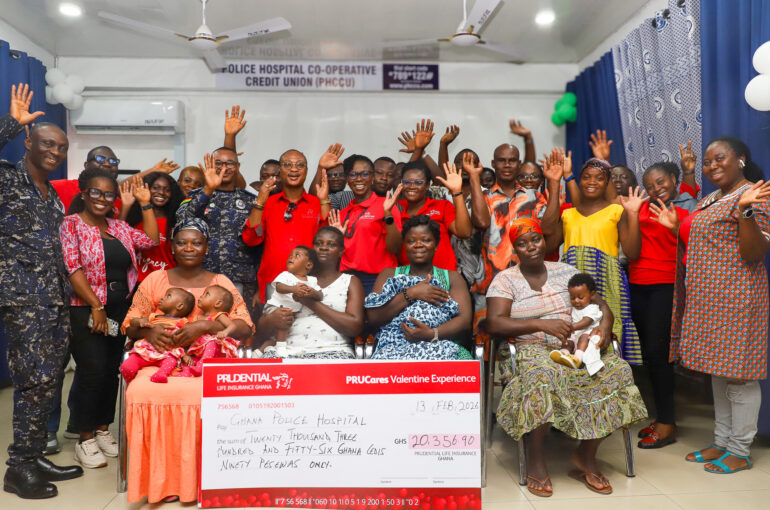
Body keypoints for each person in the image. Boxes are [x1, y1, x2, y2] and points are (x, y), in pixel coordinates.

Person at [485, 217, 647, 497]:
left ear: (544, 240)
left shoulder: (565, 271)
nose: (531, 247)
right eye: (522, 243)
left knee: (618, 371)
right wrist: (541, 324)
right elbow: (495, 323)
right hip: (531, 348)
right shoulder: (505, 280)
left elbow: (599, 303)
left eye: (536, 239)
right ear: (515, 249)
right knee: (543, 376)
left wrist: (606, 325)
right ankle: (536, 458)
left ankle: (586, 453)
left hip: (576, 345)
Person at [121, 218, 253, 503]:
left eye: (197, 242)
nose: (189, 248)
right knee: (141, 390)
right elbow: (129, 324)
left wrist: (206, 327)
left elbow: (245, 326)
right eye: (182, 242)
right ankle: (160, 481)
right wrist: (150, 329)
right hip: (159, 359)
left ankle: (207, 481)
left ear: (207, 247)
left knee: (202, 392)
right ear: (172, 247)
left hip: (204, 362)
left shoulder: (221, 283)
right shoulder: (156, 279)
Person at [662, 137, 770, 474]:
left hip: (738, 300)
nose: (712, 166)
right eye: (707, 162)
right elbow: (704, 243)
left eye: (719, 159)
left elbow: (755, 252)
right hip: (707, 300)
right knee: (718, 374)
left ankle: (740, 449)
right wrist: (675, 229)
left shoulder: (755, 194)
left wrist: (746, 211)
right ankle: (722, 441)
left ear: (740, 159)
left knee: (740, 377)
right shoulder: (710, 198)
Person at [0, 83, 84, 500]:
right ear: (29, 142)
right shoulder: (7, 179)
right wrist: (11, 123)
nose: (55, 152)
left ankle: (33, 456)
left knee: (49, 382)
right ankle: (18, 470)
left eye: (61, 148)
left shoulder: (52, 196)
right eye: (48, 144)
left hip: (52, 299)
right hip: (23, 298)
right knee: (32, 382)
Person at [60, 167, 160, 469]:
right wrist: (96, 306)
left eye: (108, 194)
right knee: (91, 370)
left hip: (120, 309)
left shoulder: (118, 227)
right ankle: (85, 436)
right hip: (86, 308)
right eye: (96, 192)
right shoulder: (71, 224)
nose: (102, 199)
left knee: (111, 372)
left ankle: (103, 428)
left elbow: (151, 241)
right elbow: (72, 268)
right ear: (84, 193)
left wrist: (145, 204)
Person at [541, 151, 643, 364]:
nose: (591, 182)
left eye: (599, 178)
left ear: (607, 182)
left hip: (607, 280)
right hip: (573, 281)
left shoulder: (616, 210)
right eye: (587, 176)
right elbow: (548, 240)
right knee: (575, 330)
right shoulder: (569, 213)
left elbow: (632, 253)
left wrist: (633, 215)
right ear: (579, 179)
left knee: (606, 333)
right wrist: (553, 182)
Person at [628, 161, 697, 449]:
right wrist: (632, 212)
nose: (657, 188)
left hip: (666, 285)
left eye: (661, 181)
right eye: (651, 185)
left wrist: (675, 226)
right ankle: (661, 419)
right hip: (637, 285)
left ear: (674, 179)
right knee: (649, 355)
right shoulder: (639, 208)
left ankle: (668, 423)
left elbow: (695, 250)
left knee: (660, 354)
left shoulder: (684, 212)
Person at [365, 215, 473, 359]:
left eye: (426, 240)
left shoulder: (452, 278)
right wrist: (411, 293)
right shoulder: (389, 274)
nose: (418, 245)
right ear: (405, 244)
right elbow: (373, 317)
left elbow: (464, 320)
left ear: (436, 244)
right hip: (393, 348)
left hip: (441, 344)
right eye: (411, 241)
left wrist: (431, 333)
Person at [258, 227, 364, 359]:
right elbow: (260, 334)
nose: (323, 248)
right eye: (319, 243)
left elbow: (354, 327)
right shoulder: (290, 278)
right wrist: (271, 319)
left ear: (341, 251)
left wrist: (309, 302)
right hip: (287, 352)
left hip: (334, 351)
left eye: (331, 244)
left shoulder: (350, 282)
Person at [242, 147, 330, 302]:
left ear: (306, 170)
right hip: (273, 283)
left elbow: (327, 241)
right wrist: (260, 202)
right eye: (288, 165)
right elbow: (251, 239)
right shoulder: (267, 203)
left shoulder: (316, 203)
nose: (294, 169)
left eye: (300, 165)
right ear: (280, 170)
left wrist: (324, 202)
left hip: (308, 283)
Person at [176, 149, 260, 312]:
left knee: (238, 328)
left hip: (240, 278)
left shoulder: (250, 201)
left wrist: (259, 287)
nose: (224, 168)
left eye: (230, 163)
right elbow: (182, 221)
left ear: (237, 166)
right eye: (219, 163)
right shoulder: (196, 196)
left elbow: (259, 243)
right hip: (202, 276)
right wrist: (208, 189)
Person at [330, 154, 403, 294]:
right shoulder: (343, 213)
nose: (358, 179)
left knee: (374, 316)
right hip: (347, 278)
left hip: (378, 278)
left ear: (373, 177)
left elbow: (395, 248)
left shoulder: (386, 205)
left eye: (364, 174)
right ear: (346, 178)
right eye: (352, 174)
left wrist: (388, 214)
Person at [394, 160, 472, 270]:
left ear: (427, 185)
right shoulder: (395, 208)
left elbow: (464, 232)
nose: (412, 186)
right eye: (407, 182)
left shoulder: (442, 206)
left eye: (418, 182)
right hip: (409, 277)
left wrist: (456, 191)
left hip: (443, 276)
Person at [52, 149, 178, 213]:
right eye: (100, 159)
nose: (107, 164)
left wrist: (154, 170)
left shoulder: (115, 202)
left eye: (113, 162)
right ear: (86, 165)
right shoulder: (62, 186)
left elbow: (121, 187)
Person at [119, 287, 196, 383]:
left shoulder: (183, 322)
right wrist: (140, 321)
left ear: (179, 306)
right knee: (125, 367)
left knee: (171, 362)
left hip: (167, 354)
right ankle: (132, 383)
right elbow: (132, 323)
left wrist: (185, 354)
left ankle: (161, 375)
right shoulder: (153, 317)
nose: (162, 298)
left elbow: (188, 339)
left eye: (168, 296)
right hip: (144, 352)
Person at [122, 171, 184, 282]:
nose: (161, 192)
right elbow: (115, 237)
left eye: (167, 190)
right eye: (155, 188)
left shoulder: (176, 222)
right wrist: (126, 206)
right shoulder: (134, 219)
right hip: (137, 283)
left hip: (167, 282)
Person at [263, 246, 322, 351]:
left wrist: (312, 293)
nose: (291, 257)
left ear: (308, 265)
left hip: (293, 313)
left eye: (297, 255)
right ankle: (281, 348)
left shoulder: (312, 281)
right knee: (285, 318)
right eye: (290, 255)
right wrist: (293, 289)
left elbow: (320, 295)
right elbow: (279, 287)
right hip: (275, 308)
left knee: (275, 338)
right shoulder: (285, 275)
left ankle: (259, 352)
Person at [549, 273, 604, 373]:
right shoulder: (574, 309)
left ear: (592, 295)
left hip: (589, 335)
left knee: (584, 337)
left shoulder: (593, 308)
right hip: (576, 335)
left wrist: (570, 327)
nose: (576, 301)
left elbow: (586, 322)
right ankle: (563, 355)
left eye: (580, 297)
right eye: (572, 298)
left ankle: (578, 359)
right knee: (567, 341)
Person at [186, 284, 240, 375]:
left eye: (206, 294)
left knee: (212, 343)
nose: (201, 296)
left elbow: (233, 326)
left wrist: (224, 332)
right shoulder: (197, 317)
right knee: (190, 358)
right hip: (199, 349)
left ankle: (201, 366)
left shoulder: (218, 315)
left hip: (217, 348)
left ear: (218, 303)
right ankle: (187, 372)